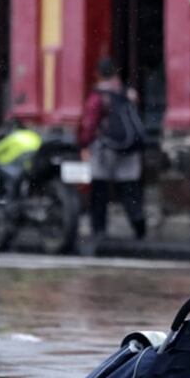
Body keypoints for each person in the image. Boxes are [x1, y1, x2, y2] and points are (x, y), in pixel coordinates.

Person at [77, 57, 146, 245]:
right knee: (129, 188)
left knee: (99, 190)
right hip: (130, 149)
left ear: (98, 74)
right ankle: (138, 224)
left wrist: (84, 145)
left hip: (105, 149)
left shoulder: (98, 96)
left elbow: (89, 124)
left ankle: (99, 230)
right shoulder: (128, 93)